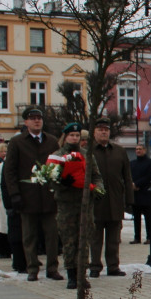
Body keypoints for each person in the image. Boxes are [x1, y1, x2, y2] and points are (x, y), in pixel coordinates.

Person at [3, 107, 62, 282]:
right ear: (26, 122)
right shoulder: (17, 142)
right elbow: (10, 170)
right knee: (29, 236)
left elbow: (59, 166)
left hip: (49, 197)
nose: (37, 121)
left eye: (39, 118)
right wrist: (14, 194)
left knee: (52, 236)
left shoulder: (51, 141)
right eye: (33, 118)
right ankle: (32, 268)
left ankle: (52, 268)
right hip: (27, 197)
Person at [52, 123, 102, 290]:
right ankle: (71, 275)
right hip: (66, 205)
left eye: (77, 135)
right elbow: (49, 179)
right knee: (69, 241)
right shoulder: (58, 156)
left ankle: (82, 275)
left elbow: (96, 176)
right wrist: (61, 182)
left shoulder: (87, 155)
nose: (74, 138)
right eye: (71, 135)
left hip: (84, 203)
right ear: (65, 137)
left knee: (84, 240)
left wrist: (98, 190)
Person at [89, 118, 133, 277]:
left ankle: (113, 266)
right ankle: (95, 266)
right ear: (94, 132)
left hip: (114, 200)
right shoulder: (89, 151)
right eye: (100, 129)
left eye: (106, 130)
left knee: (114, 238)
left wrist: (129, 199)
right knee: (95, 238)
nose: (103, 132)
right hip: (95, 201)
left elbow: (127, 177)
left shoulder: (119, 151)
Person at [129, 143, 151, 244]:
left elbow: (149, 176)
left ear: (145, 150)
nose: (138, 151)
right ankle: (137, 237)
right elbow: (129, 175)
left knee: (148, 218)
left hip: (145, 193)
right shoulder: (132, 163)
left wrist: (137, 184)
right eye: (137, 149)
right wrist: (132, 184)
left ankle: (149, 237)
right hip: (135, 193)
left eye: (140, 149)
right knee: (136, 217)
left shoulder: (150, 162)